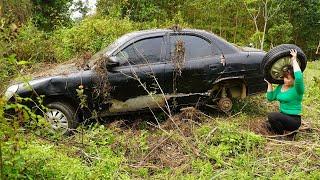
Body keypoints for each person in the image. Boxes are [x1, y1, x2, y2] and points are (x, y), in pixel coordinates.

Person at [265, 49, 304, 134]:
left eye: (288, 78)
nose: (285, 80)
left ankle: (281, 135)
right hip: (283, 116)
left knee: (272, 116)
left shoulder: (298, 89)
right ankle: (287, 131)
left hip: (294, 120)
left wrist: (294, 60)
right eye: (285, 77)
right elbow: (270, 98)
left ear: (294, 79)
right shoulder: (280, 87)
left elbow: (299, 77)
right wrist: (269, 85)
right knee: (268, 122)